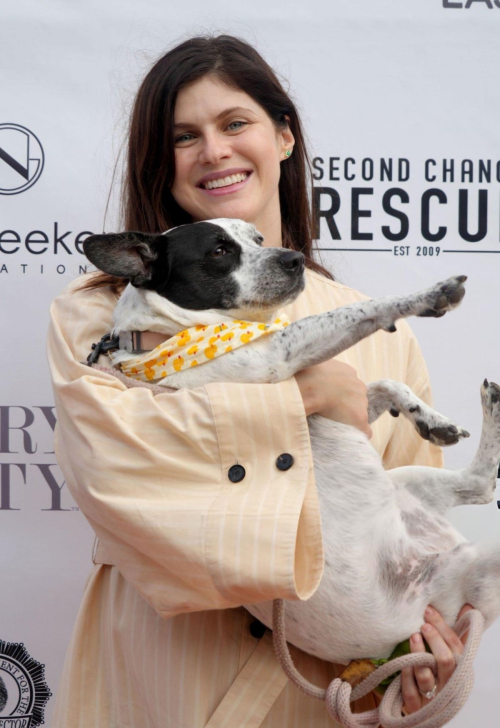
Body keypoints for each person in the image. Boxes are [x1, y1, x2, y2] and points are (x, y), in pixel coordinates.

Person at [47, 33, 473, 727]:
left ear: (283, 137)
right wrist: (309, 395)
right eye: (184, 136)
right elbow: (121, 475)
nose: (213, 150)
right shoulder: (96, 317)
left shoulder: (381, 333)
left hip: (324, 693)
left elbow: (407, 533)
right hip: (160, 682)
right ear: (162, 163)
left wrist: (421, 657)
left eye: (234, 123)